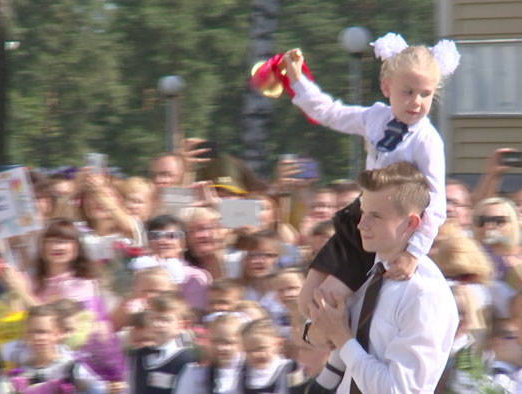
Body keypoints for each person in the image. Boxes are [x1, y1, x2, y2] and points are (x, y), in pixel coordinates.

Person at [285, 33, 459, 321]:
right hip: (361, 215)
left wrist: (414, 252)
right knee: (307, 298)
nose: (416, 102)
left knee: (328, 301)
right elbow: (330, 112)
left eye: (425, 94)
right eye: (407, 92)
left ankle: (347, 355)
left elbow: (436, 202)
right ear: (386, 87)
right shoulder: (375, 117)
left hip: (391, 226)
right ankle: (330, 356)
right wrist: (297, 79)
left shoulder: (427, 141)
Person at [306, 162, 458, 393]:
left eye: (375, 216)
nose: (361, 224)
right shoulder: (361, 274)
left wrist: (341, 336)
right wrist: (321, 330)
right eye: (363, 212)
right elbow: (314, 332)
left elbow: (398, 390)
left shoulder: (425, 294)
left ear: (411, 222)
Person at [128, 294, 197, 393]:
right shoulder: (137, 355)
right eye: (153, 318)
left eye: (165, 320)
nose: (157, 324)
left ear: (181, 325)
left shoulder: (187, 359)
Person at [174, 313, 245, 394]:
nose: (220, 347)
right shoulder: (194, 373)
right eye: (215, 341)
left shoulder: (247, 374)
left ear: (242, 343)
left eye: (228, 342)